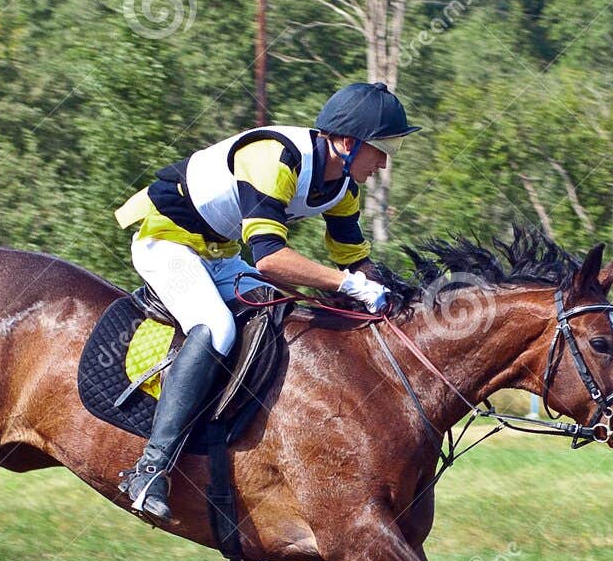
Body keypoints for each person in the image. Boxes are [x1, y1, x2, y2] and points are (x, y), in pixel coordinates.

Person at [111, 80, 421, 522]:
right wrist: (348, 285)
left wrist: (390, 299)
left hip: (219, 255)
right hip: (166, 241)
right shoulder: (276, 158)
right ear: (347, 143)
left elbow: (354, 259)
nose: (385, 163)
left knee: (285, 316)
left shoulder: (342, 188)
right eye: (381, 149)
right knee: (216, 328)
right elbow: (271, 259)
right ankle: (151, 468)